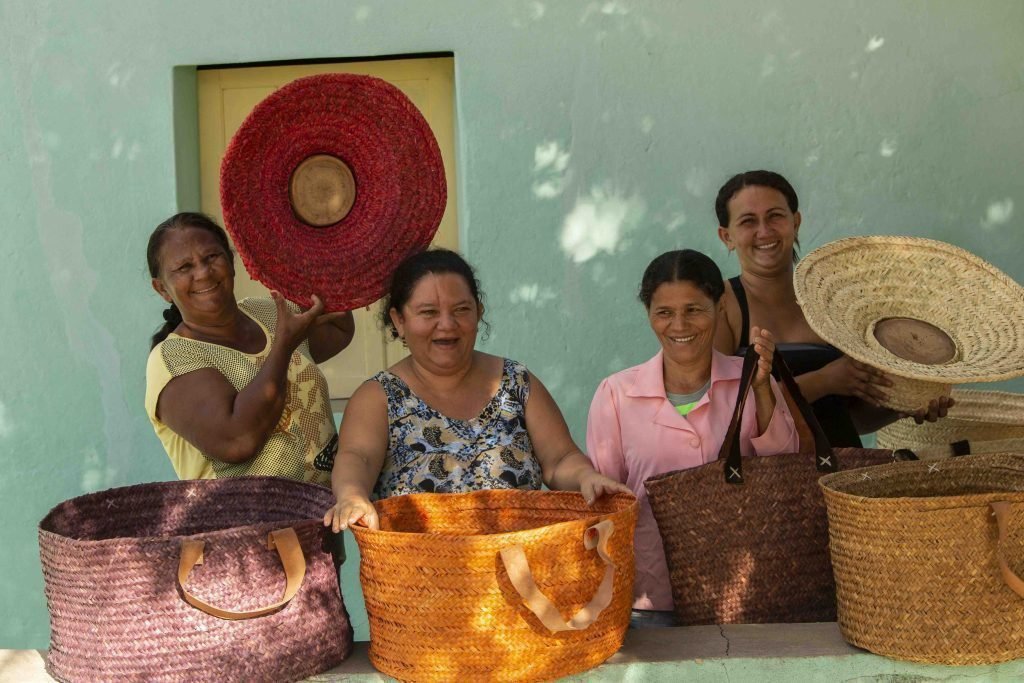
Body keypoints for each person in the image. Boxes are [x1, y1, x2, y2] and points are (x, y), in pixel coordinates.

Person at [323, 248, 630, 532]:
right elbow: (357, 457)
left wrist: (586, 477)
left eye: (461, 309)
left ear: (478, 312)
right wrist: (352, 495)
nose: (447, 324)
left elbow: (561, 458)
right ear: (399, 320)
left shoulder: (516, 382)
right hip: (417, 580)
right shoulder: (379, 397)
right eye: (428, 312)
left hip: (519, 575)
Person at [586, 250, 798, 626]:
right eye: (664, 312)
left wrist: (764, 390)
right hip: (650, 597)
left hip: (744, 590)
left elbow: (786, 467)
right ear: (649, 315)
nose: (679, 324)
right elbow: (608, 504)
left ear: (720, 306)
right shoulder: (617, 395)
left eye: (694, 309)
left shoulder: (752, 379)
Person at [713, 170, 951, 446]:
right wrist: (825, 380)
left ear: (796, 222)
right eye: (748, 221)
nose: (764, 231)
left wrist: (903, 405)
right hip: (762, 480)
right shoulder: (721, 305)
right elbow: (725, 414)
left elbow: (853, 419)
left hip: (841, 473)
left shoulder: (834, 304)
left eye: (775, 216)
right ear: (726, 236)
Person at [144, 212, 355, 483]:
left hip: (320, 516)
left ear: (231, 262)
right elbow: (237, 440)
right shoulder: (173, 358)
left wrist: (316, 242)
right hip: (243, 523)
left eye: (211, 257)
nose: (203, 273)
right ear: (162, 289)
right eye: (184, 268)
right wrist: (284, 345)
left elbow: (338, 328)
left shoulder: (266, 312)